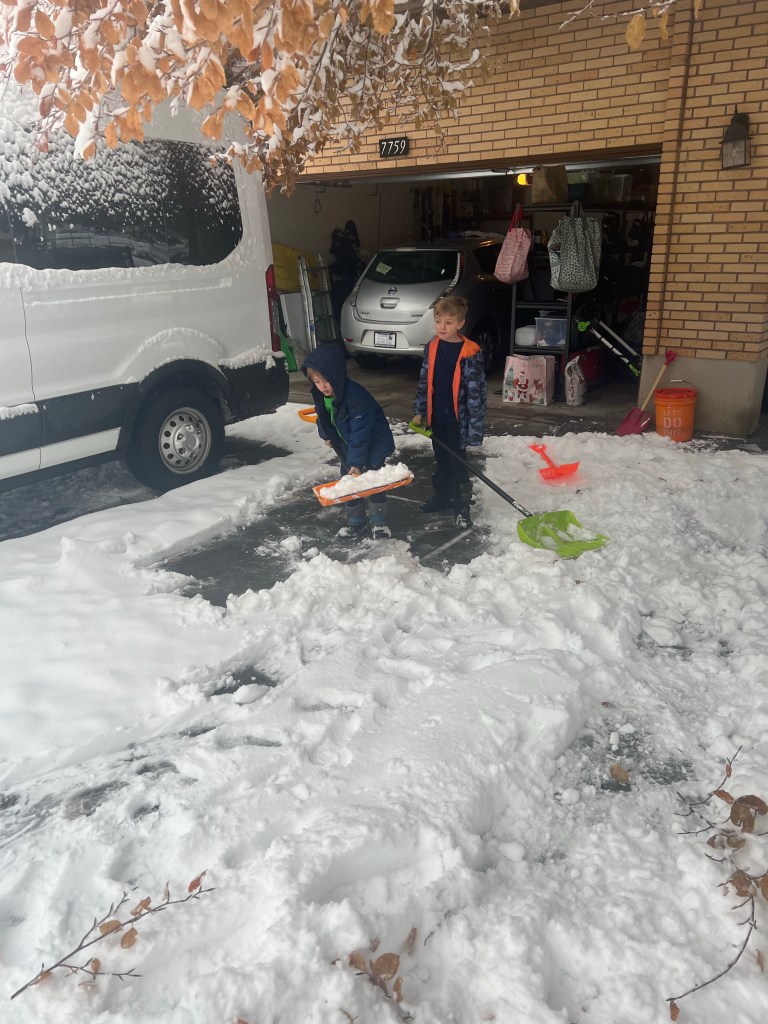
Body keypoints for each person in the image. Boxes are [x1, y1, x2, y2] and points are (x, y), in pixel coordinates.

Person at [302, 344, 395, 540]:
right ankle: (356, 520)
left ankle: (379, 521)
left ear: (337, 376)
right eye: (317, 382)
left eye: (326, 381)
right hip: (348, 445)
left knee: (374, 481)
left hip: (372, 443)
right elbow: (323, 417)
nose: (322, 386)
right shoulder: (323, 395)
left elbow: (361, 432)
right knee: (349, 481)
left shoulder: (356, 397)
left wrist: (356, 462)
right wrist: (326, 434)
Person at [412, 296, 487, 528]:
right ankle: (442, 497)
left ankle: (462, 507)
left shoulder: (470, 352)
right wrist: (420, 410)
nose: (442, 327)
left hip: (458, 418)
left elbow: (477, 392)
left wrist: (475, 425)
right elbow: (424, 381)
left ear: (460, 324)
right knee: (441, 458)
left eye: (448, 322)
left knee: (458, 461)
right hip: (437, 415)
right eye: (438, 321)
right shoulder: (432, 346)